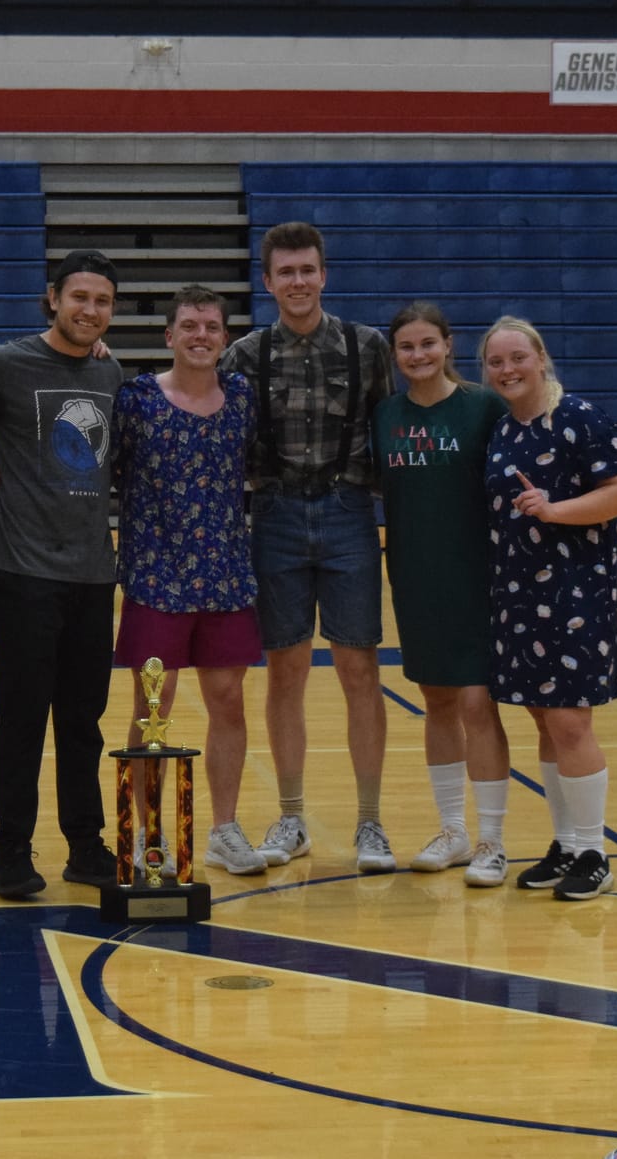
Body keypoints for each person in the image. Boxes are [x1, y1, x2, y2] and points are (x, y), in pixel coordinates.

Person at [221, 222, 397, 873]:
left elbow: (401, 425)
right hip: (275, 516)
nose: (298, 281)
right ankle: (291, 817)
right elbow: (197, 409)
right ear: (268, 282)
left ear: (325, 274)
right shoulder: (244, 354)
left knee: (359, 670)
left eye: (308, 270)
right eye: (285, 272)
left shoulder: (367, 346)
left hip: (350, 514)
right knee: (286, 671)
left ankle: (371, 821)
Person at [0, 249, 124, 899]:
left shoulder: (113, 376)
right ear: (53, 297)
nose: (90, 310)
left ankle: (85, 845)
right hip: (20, 567)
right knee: (22, 716)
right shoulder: (3, 365)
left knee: (84, 718)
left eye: (102, 301)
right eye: (79, 297)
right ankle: (12, 851)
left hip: (91, 568)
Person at [113, 285, 268, 877]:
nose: (200, 335)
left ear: (224, 339)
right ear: (169, 337)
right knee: (155, 705)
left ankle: (224, 830)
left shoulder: (244, 399)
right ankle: (145, 830)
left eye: (211, 326)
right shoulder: (136, 400)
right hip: (156, 576)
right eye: (190, 326)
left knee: (228, 701)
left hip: (226, 575)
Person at [479, 316, 617, 901]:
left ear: (540, 357)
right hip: (519, 591)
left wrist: (554, 508)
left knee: (571, 720)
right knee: (544, 717)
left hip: (576, 588)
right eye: (495, 362)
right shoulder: (502, 431)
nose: (507, 370)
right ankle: (566, 842)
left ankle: (595, 850)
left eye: (517, 357)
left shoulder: (581, 419)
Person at [373, 302, 511, 887]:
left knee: (479, 705)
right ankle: (452, 831)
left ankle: (493, 842)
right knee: (437, 703)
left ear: (448, 345)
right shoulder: (384, 415)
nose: (418, 355)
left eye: (428, 343)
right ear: (395, 355)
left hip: (477, 574)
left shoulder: (483, 407)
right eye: (407, 347)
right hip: (415, 574)